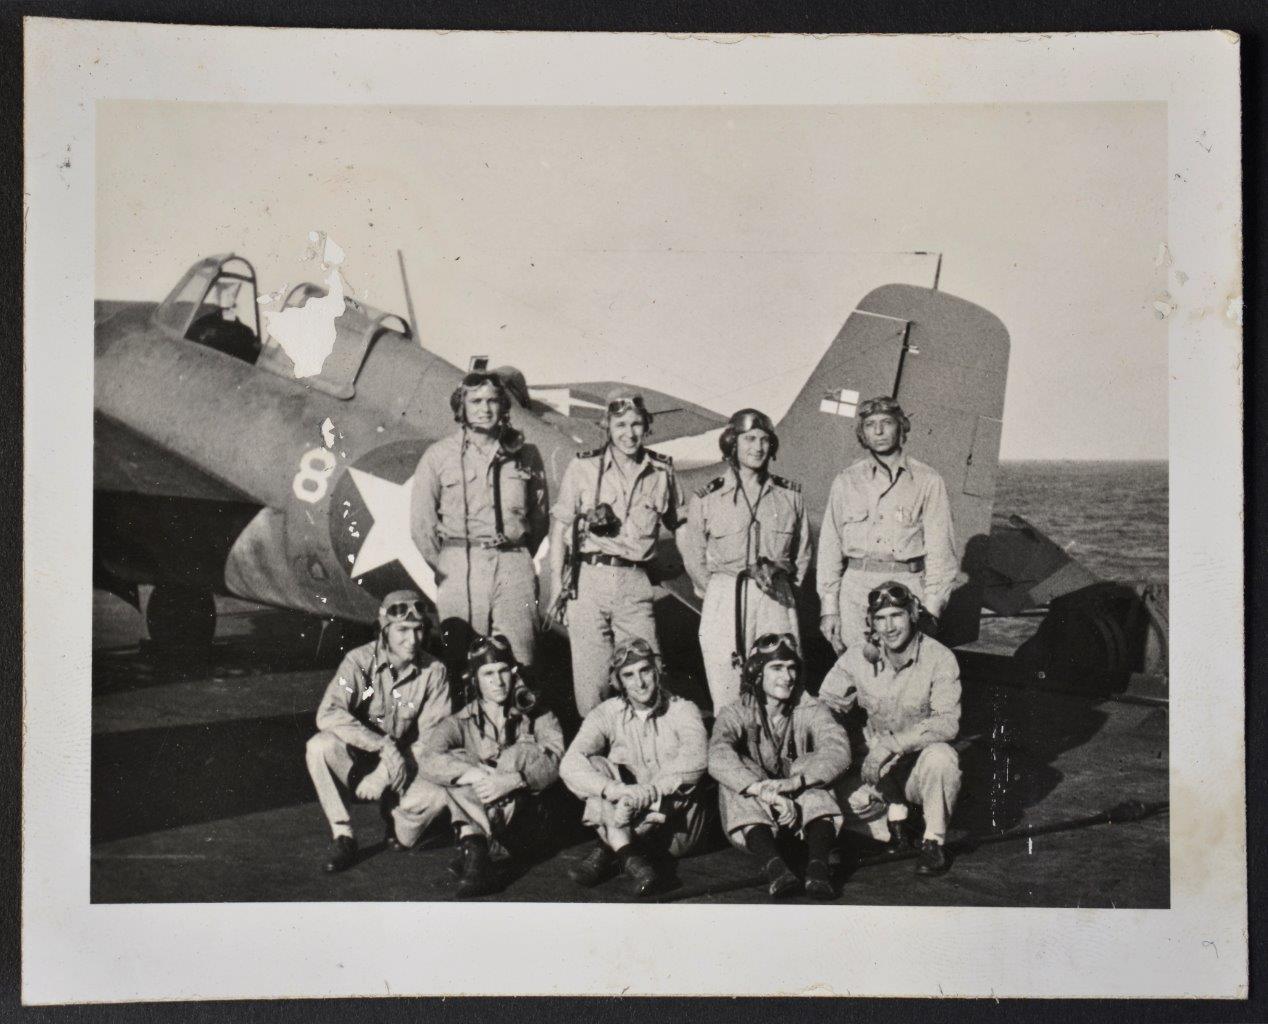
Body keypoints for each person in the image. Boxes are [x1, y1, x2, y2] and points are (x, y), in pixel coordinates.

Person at [545, 387, 685, 716]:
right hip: (588, 580)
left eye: (636, 424)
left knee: (647, 676)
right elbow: (561, 525)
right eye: (620, 425)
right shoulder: (583, 468)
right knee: (592, 684)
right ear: (606, 426)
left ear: (646, 426)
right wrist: (556, 587)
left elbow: (683, 524)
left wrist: (695, 573)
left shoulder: (661, 472)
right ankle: (600, 759)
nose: (629, 433)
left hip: (634, 582)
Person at [818, 581, 962, 875]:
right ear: (871, 623)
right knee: (830, 803)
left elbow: (947, 722)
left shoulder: (940, 658)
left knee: (943, 759)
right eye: (880, 619)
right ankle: (896, 818)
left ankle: (933, 840)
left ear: (912, 614)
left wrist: (891, 745)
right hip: (876, 767)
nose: (889, 627)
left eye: (896, 615)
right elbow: (825, 705)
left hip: (914, 765)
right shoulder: (858, 656)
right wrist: (846, 740)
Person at [410, 370, 548, 672]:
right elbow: (421, 526)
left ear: (504, 407)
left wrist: (517, 552)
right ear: (462, 406)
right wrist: (448, 565)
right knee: (462, 660)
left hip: (514, 565)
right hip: (460, 566)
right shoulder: (438, 456)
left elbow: (539, 519)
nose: (485, 409)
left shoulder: (526, 455)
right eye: (476, 401)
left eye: (493, 401)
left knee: (520, 658)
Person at [304, 590, 452, 873]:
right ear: (385, 630)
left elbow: (433, 739)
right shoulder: (359, 662)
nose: (413, 640)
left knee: (436, 800)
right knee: (319, 746)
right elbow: (328, 713)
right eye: (403, 630)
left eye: (419, 630)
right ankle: (343, 835)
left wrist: (385, 773)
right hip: (362, 758)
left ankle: (396, 817)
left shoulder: (435, 671)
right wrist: (380, 744)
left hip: (406, 764)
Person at [680, 408, 812, 712]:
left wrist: (787, 592)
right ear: (732, 444)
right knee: (727, 688)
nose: (758, 447)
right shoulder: (706, 498)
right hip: (726, 596)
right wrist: (716, 593)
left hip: (776, 598)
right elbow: (694, 556)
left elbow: (803, 553)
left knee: (782, 684)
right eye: (749, 439)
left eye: (765, 440)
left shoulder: (790, 496)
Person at [417, 634, 566, 897]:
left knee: (516, 755)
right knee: (459, 761)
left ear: (514, 673)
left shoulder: (538, 713)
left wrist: (514, 779)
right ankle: (476, 847)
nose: (497, 682)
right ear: (475, 679)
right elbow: (428, 760)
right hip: (493, 817)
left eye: (503, 671)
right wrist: (473, 773)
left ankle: (473, 844)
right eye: (488, 674)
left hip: (530, 823)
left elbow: (557, 760)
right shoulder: (459, 721)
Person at [559, 638, 709, 896]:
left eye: (645, 671)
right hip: (625, 810)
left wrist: (648, 793)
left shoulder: (683, 709)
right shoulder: (606, 712)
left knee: (683, 777)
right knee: (594, 765)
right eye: (628, 675)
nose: (639, 683)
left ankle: (609, 849)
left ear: (656, 669)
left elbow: (696, 760)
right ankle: (632, 861)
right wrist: (616, 790)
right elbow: (570, 764)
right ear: (618, 681)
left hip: (674, 828)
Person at [708, 633, 851, 899]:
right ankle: (776, 870)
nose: (787, 677)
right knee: (734, 772)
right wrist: (763, 790)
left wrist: (797, 782)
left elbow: (838, 750)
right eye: (776, 668)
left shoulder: (810, 707)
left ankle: (818, 869)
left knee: (811, 765)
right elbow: (717, 754)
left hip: (803, 816)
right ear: (757, 673)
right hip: (760, 820)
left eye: (791, 667)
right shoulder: (736, 711)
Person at [815, 395, 958, 655]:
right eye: (870, 424)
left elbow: (941, 553)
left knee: (905, 677)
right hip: (855, 591)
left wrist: (931, 611)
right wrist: (829, 609)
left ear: (900, 427)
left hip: (907, 588)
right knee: (856, 674)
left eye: (886, 422)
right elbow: (830, 547)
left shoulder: (928, 480)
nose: (878, 431)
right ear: (862, 433)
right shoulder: (845, 481)